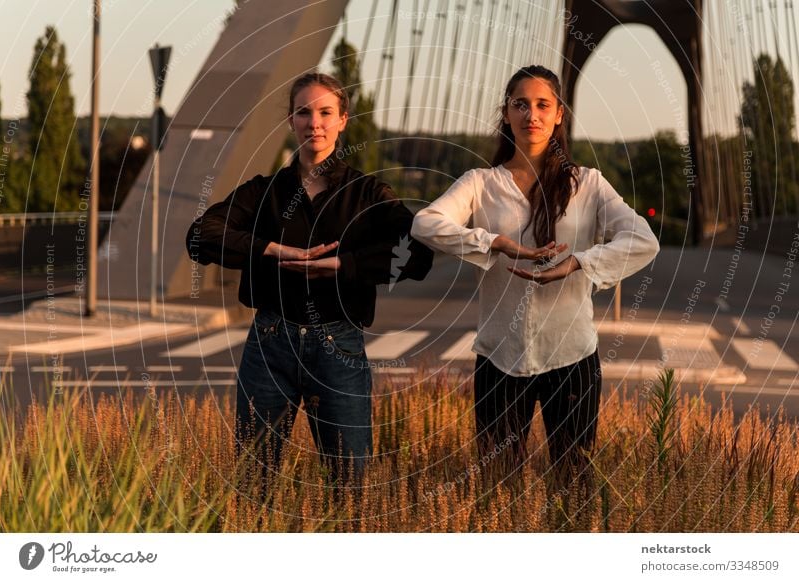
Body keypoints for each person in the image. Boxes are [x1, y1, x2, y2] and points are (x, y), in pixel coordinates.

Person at [411, 65, 659, 502]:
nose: (532, 115)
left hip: (572, 358)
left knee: (574, 489)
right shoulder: (480, 184)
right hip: (499, 359)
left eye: (543, 105)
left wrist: (580, 262)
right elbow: (425, 223)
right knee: (497, 492)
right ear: (505, 114)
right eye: (520, 104)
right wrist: (493, 242)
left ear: (559, 114)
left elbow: (643, 241)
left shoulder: (588, 185)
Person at [187, 72, 433, 491]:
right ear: (290, 120)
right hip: (270, 341)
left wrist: (345, 265)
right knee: (253, 481)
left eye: (325, 112)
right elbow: (200, 236)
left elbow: (420, 254)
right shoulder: (264, 192)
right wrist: (272, 250)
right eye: (304, 112)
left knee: (349, 486)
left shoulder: (368, 194)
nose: (313, 123)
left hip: (339, 345)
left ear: (343, 120)